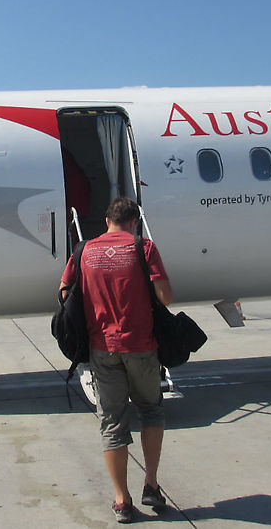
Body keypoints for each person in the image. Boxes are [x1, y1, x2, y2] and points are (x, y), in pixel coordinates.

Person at [59, 197, 174, 524]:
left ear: (107, 220)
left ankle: (121, 500)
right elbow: (166, 297)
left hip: (101, 349)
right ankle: (150, 484)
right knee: (150, 409)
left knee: (112, 421)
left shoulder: (84, 250)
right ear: (134, 222)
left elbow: (64, 291)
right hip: (139, 346)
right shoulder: (144, 248)